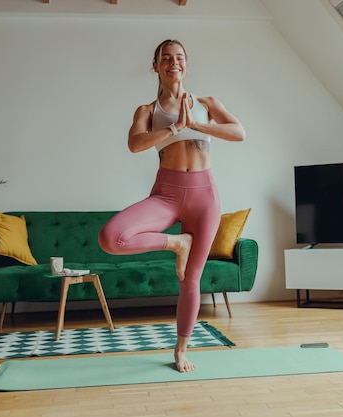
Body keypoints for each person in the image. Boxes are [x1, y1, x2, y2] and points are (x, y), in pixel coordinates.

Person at [98, 39, 245, 372]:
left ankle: (181, 349)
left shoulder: (206, 103)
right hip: (166, 194)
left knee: (191, 279)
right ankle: (177, 243)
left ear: (186, 64)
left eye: (179, 58)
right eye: (166, 58)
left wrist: (195, 123)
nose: (173, 63)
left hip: (204, 196)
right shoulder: (147, 111)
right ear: (156, 66)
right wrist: (176, 126)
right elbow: (135, 144)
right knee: (111, 237)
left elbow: (239, 132)